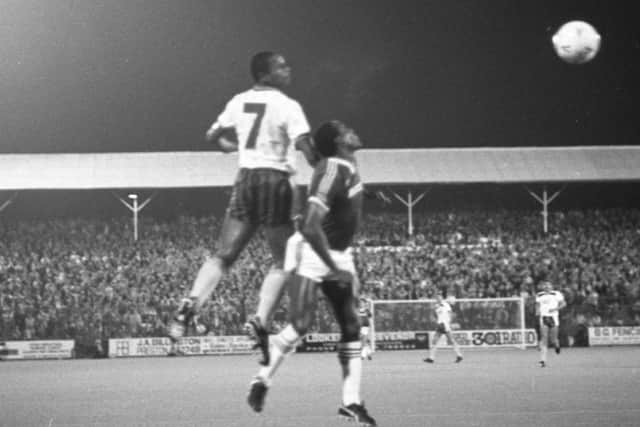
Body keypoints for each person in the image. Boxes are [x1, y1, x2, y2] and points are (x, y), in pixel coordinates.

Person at [168, 51, 317, 366]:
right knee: (283, 260)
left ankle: (191, 303)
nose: (288, 69)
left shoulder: (237, 102)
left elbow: (211, 135)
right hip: (276, 181)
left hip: (245, 179)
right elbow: (306, 148)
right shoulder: (288, 106)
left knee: (222, 256)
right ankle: (260, 319)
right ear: (265, 73)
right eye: (282, 65)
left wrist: (235, 147)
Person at [246, 121, 377, 426]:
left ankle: (351, 403)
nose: (353, 130)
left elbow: (336, 185)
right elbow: (310, 224)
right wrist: (332, 267)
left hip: (341, 254)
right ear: (340, 141)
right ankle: (262, 380)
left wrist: (369, 195)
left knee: (352, 326)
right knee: (301, 324)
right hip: (314, 252)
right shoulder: (333, 169)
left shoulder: (345, 165)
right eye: (347, 128)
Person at [424, 292, 463, 363]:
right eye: (436, 297)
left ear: (441, 298)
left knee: (451, 340)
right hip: (440, 325)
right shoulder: (436, 306)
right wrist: (436, 321)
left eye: (439, 297)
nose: (438, 298)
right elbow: (437, 315)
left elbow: (450, 313)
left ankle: (459, 355)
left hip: (445, 325)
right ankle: (431, 358)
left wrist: (449, 322)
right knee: (435, 341)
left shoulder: (445, 304)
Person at [535, 281, 566, 367]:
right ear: (543, 287)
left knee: (553, 340)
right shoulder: (539, 295)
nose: (547, 287)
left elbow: (563, 304)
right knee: (544, 338)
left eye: (548, 285)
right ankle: (542, 361)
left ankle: (557, 346)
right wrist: (537, 311)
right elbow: (537, 305)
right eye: (545, 285)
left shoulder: (556, 294)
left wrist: (555, 309)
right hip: (544, 317)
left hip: (553, 318)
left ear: (551, 286)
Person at [358, 295, 374, 360]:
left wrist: (370, 326)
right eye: (360, 302)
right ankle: (369, 353)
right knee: (364, 341)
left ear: (365, 303)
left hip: (365, 327)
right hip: (359, 327)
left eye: (362, 302)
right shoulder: (357, 310)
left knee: (363, 340)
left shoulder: (367, 310)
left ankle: (363, 355)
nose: (361, 303)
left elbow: (370, 318)